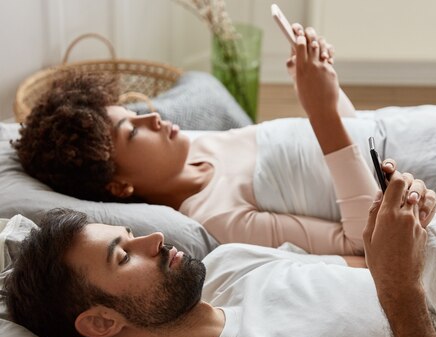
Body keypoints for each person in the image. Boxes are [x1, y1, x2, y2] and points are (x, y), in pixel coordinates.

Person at [1, 162, 436, 337]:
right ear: (103, 321)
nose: (154, 240)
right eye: (124, 256)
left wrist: (406, 230)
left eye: (132, 235)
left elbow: (376, 268)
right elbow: (395, 285)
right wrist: (403, 292)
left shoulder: (229, 264)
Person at [12, 25, 390, 259]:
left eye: (133, 113)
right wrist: (321, 113)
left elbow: (348, 143)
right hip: (407, 179)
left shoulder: (196, 145)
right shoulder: (218, 218)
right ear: (119, 185)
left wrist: (318, 85)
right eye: (132, 131)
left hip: (388, 130)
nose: (152, 116)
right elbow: (364, 244)